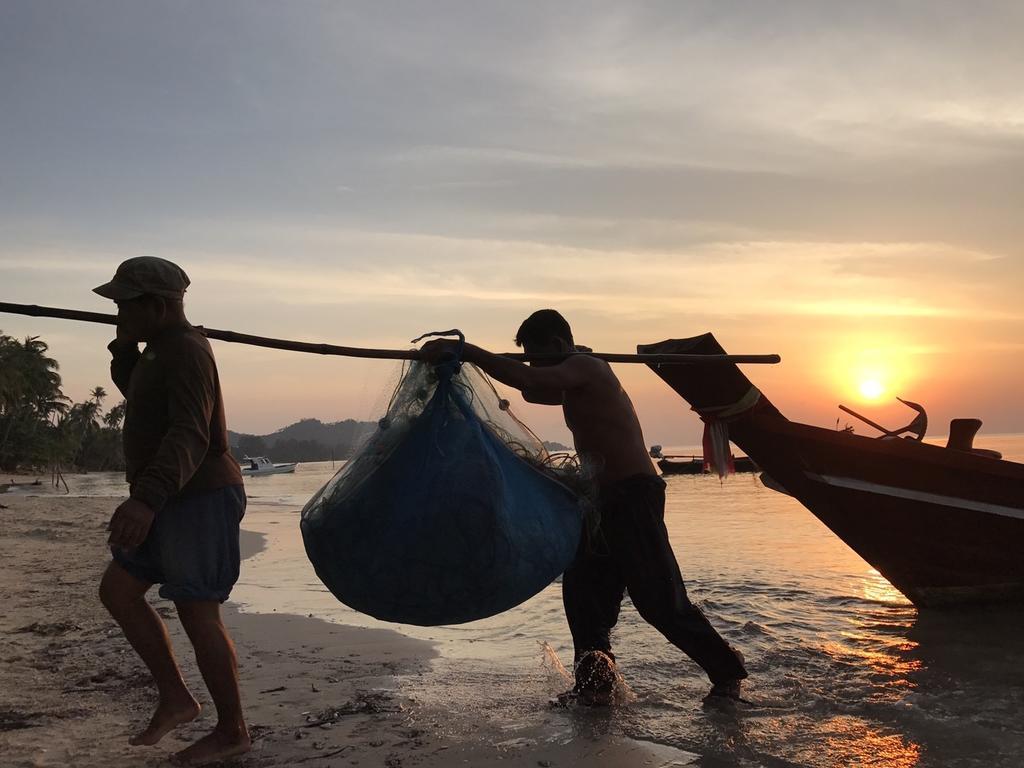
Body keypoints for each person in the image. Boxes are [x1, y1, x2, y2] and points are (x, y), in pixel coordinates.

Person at [420, 309, 747, 705]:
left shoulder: (588, 367)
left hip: (633, 495)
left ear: (558, 345)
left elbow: (530, 379)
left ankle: (726, 673)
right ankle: (594, 687)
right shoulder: (575, 372)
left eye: (537, 353)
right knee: (585, 598)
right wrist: (481, 365)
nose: (532, 362)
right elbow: (533, 391)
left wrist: (467, 350)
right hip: (599, 503)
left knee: (658, 600)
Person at [93, 256, 250, 763]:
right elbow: (142, 399)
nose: (119, 312)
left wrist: (145, 500)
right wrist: (124, 350)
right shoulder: (160, 349)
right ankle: (177, 698)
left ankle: (232, 730)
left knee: (197, 610)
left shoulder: (185, 351)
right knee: (118, 591)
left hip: (199, 497)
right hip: (169, 496)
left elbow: (190, 431)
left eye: (124, 305)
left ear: (157, 306)